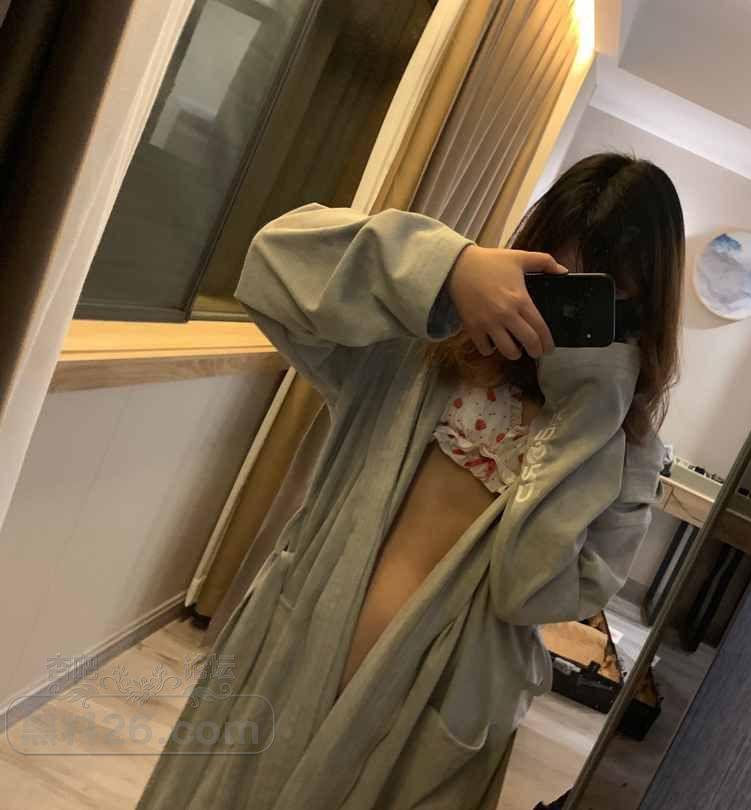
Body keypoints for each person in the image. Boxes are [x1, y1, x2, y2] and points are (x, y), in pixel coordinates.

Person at [135, 152, 685, 810]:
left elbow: (531, 592)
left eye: (600, 299)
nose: (562, 317)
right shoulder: (420, 354)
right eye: (554, 284)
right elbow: (271, 264)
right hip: (293, 657)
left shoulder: (627, 454)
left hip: (432, 722)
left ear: (640, 310)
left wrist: (587, 416)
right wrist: (447, 268)